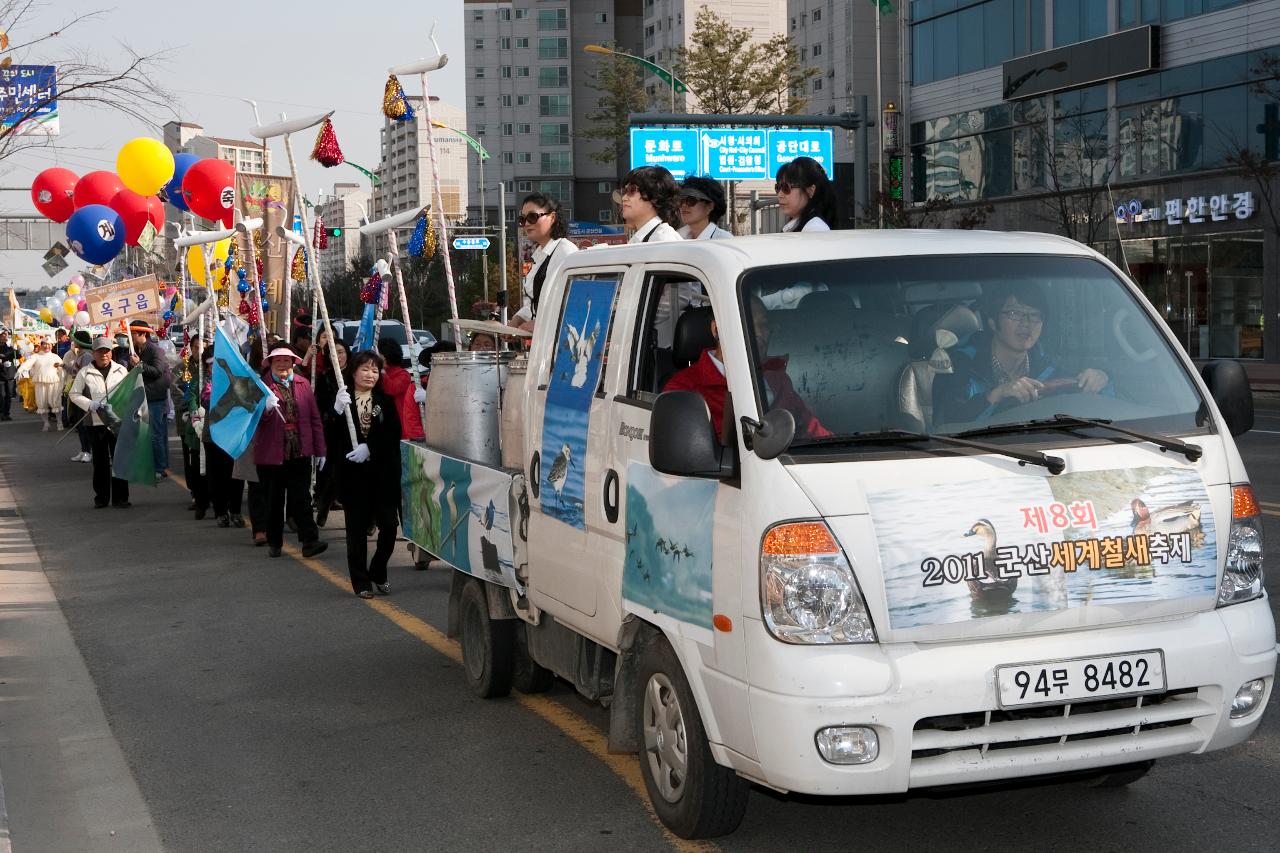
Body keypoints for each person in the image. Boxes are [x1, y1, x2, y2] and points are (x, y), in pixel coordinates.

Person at [932, 282, 1111, 425]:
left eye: (1035, 315)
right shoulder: (959, 366)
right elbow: (945, 423)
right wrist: (995, 396)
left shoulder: (1049, 366)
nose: (1026, 323)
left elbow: (1098, 408)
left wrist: (1101, 378)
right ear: (993, 323)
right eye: (1014, 313)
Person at [663, 297, 830, 440]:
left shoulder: (779, 381)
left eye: (764, 325)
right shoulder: (684, 391)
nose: (759, 333)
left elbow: (814, 432)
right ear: (716, 329)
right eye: (748, 323)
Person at [331, 350, 403, 599]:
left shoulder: (384, 400)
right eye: (365, 369)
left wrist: (369, 447)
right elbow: (331, 434)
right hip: (353, 477)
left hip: (382, 474)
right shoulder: (343, 399)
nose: (370, 374)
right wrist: (337, 411)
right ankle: (360, 581)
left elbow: (393, 433)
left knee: (390, 526)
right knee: (356, 532)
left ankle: (378, 570)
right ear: (353, 371)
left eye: (375, 370)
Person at [254, 345, 327, 559]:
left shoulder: (304, 384)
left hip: (299, 451)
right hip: (270, 454)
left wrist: (320, 449)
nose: (283, 365)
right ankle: (275, 542)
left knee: (302, 498)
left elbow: (314, 419)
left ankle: (309, 541)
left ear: (294, 362)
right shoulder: (261, 387)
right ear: (270, 363)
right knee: (274, 500)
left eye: (287, 360)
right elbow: (251, 420)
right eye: (278, 361)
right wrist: (265, 409)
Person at [68, 337, 130, 508]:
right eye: (100, 351)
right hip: (95, 423)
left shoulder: (121, 370)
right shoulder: (85, 372)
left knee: (119, 460)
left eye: (107, 351)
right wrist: (90, 404)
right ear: (93, 353)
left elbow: (129, 392)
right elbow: (74, 394)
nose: (104, 354)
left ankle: (121, 497)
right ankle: (101, 498)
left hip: (117, 421)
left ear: (112, 353)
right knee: (100, 462)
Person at [509, 193, 579, 332]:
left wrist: (539, 324)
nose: (527, 223)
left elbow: (573, 303)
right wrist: (517, 320)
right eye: (522, 219)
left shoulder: (565, 251)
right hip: (543, 342)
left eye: (532, 217)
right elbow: (535, 304)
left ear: (552, 217)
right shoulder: (539, 254)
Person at [313, 338, 349, 529]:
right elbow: (319, 405)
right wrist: (334, 409)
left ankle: (368, 519)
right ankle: (324, 504)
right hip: (333, 429)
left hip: (355, 430)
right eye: (333, 353)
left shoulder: (355, 374)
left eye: (341, 352)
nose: (338, 356)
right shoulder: (325, 376)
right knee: (333, 471)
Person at [129, 321, 172, 477]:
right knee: (149, 435)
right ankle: (159, 465)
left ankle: (160, 468)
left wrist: (139, 364)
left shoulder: (155, 350)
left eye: (132, 334)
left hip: (156, 398)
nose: (130, 338)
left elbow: (157, 371)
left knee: (156, 435)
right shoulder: (136, 351)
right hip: (143, 397)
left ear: (142, 334)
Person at [376, 336, 425, 440]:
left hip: (398, 422)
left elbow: (392, 389)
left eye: (378, 354)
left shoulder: (403, 375)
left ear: (384, 355)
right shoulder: (376, 373)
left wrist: (382, 372)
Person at [619, 166, 682, 243]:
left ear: (655, 197)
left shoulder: (664, 239)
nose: (624, 198)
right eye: (625, 191)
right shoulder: (640, 239)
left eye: (632, 190)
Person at [776, 156, 837, 232]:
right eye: (778, 187)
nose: (780, 195)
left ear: (810, 190)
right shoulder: (800, 225)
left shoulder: (814, 228)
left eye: (786, 187)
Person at [16, 339, 62, 430]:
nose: (46, 346)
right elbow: (27, 363)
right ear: (41, 345)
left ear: (51, 346)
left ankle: (59, 422)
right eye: (44, 344)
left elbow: (62, 367)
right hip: (40, 383)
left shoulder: (55, 356)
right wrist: (20, 370)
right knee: (42, 404)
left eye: (48, 344)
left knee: (55, 403)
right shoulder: (36, 356)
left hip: (53, 382)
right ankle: (46, 423)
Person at [62, 330, 95, 460]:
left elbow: (85, 375)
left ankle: (88, 451)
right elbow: (76, 371)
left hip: (84, 393)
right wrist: (64, 366)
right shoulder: (79, 354)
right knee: (80, 423)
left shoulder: (87, 355)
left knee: (85, 424)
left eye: (75, 340)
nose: (73, 342)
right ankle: (83, 450)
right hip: (77, 392)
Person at [676, 176, 733, 240]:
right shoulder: (676, 237)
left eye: (691, 200)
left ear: (710, 206)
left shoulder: (723, 240)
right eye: (681, 200)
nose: (684, 205)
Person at [0, 330, 16, 421]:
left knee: (9, 395)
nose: (4, 337)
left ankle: (6, 413)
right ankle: (1, 412)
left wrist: (17, 350)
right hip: (1, 374)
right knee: (1, 395)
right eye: (2, 335)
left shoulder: (10, 347)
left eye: (6, 335)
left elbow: (17, 356)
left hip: (9, 374)